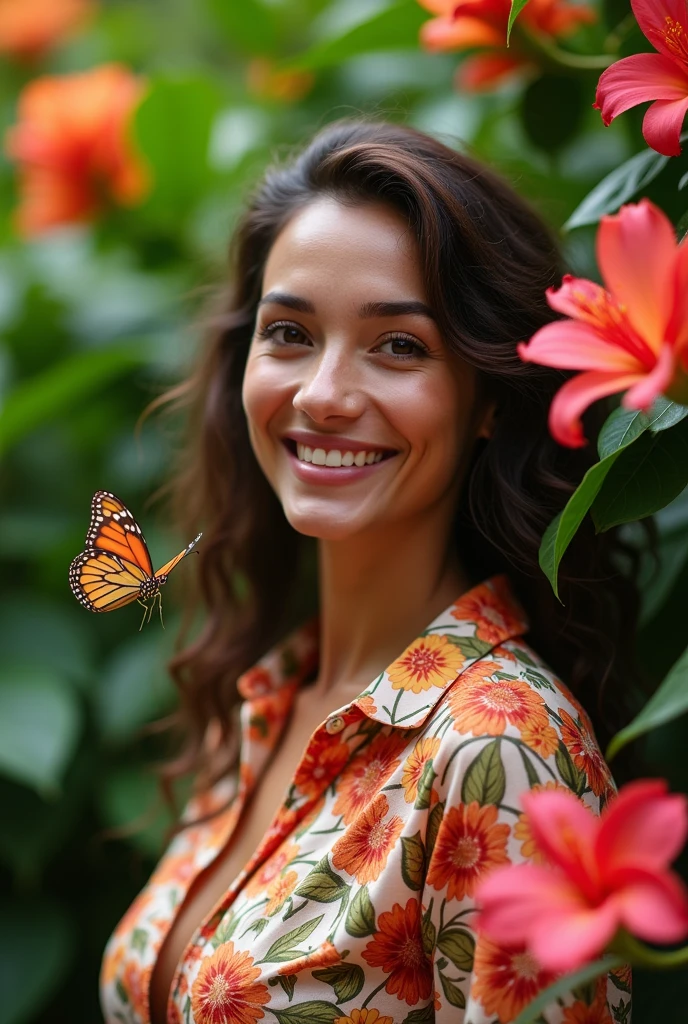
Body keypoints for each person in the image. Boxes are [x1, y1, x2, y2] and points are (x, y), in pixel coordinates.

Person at [100, 119, 637, 1024]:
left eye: (398, 346)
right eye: (290, 333)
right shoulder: (270, 698)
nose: (322, 394)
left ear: (487, 403)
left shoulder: (497, 747)